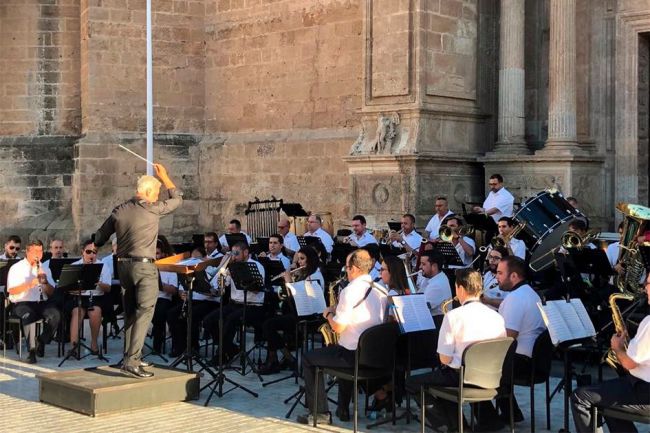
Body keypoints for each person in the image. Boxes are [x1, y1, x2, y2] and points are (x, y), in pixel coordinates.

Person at [93, 163, 182, 378]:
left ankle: (128, 357)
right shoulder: (151, 208)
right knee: (145, 311)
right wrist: (166, 176)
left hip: (122, 266)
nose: (158, 195)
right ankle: (132, 360)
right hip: (143, 266)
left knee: (131, 311)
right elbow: (177, 199)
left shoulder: (119, 210)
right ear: (149, 192)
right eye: (157, 192)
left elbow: (98, 238)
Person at [405, 268, 507, 432]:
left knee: (412, 382)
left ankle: (453, 425)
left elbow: (444, 359)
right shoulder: (498, 316)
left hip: (461, 377)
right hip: (491, 375)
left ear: (459, 288)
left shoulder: (453, 316)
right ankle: (488, 421)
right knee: (445, 376)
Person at [297, 249, 389, 425]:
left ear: (354, 268)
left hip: (353, 356)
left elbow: (338, 327)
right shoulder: (381, 288)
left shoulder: (350, 291)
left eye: (347, 267)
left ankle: (320, 413)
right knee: (340, 351)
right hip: (375, 355)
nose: (345, 271)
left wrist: (328, 315)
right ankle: (343, 409)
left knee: (309, 359)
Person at [571, 273, 650, 433]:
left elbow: (629, 363)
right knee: (608, 398)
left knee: (580, 397)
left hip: (645, 392)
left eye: (648, 284)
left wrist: (617, 347)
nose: (645, 288)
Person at [494, 256, 546, 422]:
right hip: (535, 360)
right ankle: (511, 412)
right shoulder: (531, 293)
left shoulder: (515, 298)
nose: (497, 277)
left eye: (500, 273)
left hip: (521, 362)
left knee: (477, 365)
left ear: (514, 276)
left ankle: (489, 418)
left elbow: (508, 338)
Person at [259, 246, 324, 375]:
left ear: (310, 259)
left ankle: (284, 359)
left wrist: (288, 281)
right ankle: (282, 358)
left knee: (269, 325)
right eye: (298, 259)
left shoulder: (314, 275)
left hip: (309, 315)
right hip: (299, 312)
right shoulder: (306, 273)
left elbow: (300, 298)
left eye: (302, 259)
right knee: (270, 321)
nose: (299, 262)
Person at [203, 242, 267, 364]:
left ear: (246, 252)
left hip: (252, 306)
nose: (234, 256)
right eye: (232, 253)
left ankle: (222, 354)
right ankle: (230, 348)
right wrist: (222, 272)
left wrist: (242, 278)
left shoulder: (256, 266)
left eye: (236, 254)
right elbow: (222, 286)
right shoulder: (232, 266)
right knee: (209, 320)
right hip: (235, 304)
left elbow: (257, 288)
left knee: (230, 320)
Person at [7, 239, 60, 363]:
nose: (38, 254)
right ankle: (31, 352)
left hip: (41, 302)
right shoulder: (16, 268)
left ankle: (41, 341)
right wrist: (31, 283)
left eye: (40, 251)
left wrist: (45, 282)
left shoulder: (45, 268)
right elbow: (12, 291)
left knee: (55, 315)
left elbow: (51, 292)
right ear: (27, 251)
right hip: (22, 303)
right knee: (29, 315)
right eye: (35, 251)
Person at [66, 240, 112, 356]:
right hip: (78, 297)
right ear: (83, 252)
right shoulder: (75, 266)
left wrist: (99, 283)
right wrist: (80, 288)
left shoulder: (103, 266)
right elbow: (67, 288)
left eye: (94, 252)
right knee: (77, 312)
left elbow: (108, 288)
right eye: (88, 251)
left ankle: (94, 343)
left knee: (95, 312)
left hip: (96, 298)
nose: (91, 255)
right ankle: (74, 346)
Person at [151, 238, 178, 354]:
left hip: (164, 298)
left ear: (163, 254)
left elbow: (174, 290)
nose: (155, 256)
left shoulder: (169, 268)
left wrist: (159, 284)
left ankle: (157, 345)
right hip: (149, 297)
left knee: (159, 312)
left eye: (157, 253)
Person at [416, 251, 452, 325]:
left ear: (434, 266)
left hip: (436, 325)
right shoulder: (433, 277)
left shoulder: (437, 285)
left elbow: (421, 307)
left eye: (423, 264)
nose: (420, 267)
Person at [481, 246, 510, 310]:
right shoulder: (487, 273)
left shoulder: (508, 280)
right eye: (490, 257)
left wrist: (489, 301)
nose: (491, 260)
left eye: (496, 258)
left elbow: (509, 304)